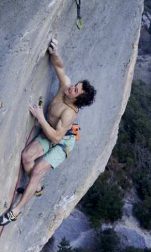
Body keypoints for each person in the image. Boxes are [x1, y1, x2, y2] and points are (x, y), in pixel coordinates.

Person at [0, 38, 96, 225]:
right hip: (50, 133)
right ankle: (35, 188)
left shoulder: (69, 114)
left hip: (63, 141)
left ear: (77, 100)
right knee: (27, 157)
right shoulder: (65, 87)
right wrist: (55, 51)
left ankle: (15, 211)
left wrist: (41, 117)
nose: (71, 88)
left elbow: (56, 137)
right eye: (75, 85)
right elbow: (59, 67)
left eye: (75, 90)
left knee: (37, 171)